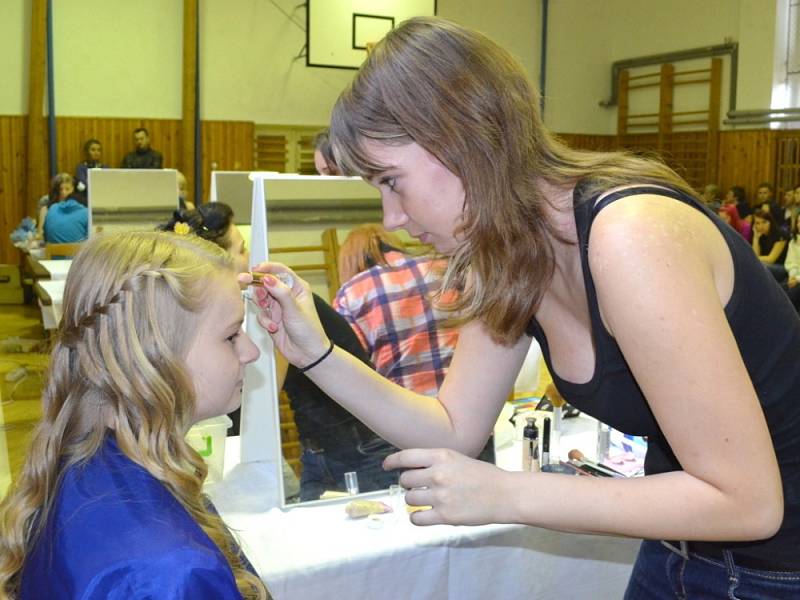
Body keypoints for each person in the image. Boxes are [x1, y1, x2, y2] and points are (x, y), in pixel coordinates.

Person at [245, 17, 800, 599]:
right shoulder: (509, 254)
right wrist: (319, 355)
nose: (392, 219)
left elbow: (747, 503)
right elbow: (453, 430)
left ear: (460, 138)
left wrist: (507, 493)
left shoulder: (630, 235)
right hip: (679, 552)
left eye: (391, 181)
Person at [0, 231, 268, 599]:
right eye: (232, 335)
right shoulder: (170, 575)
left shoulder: (77, 459)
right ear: (154, 357)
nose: (251, 351)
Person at [42, 173, 88, 244]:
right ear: (56, 191)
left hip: (53, 252)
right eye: (60, 189)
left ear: (73, 189)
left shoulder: (52, 209)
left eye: (67, 189)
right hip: (77, 253)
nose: (63, 192)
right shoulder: (47, 209)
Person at [752, 209, 789, 282]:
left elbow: (771, 259)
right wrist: (756, 238)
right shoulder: (761, 236)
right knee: (756, 265)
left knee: (759, 266)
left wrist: (752, 258)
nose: (761, 226)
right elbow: (756, 255)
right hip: (767, 265)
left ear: (770, 222)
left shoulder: (781, 235)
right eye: (757, 223)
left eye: (764, 222)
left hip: (782, 267)